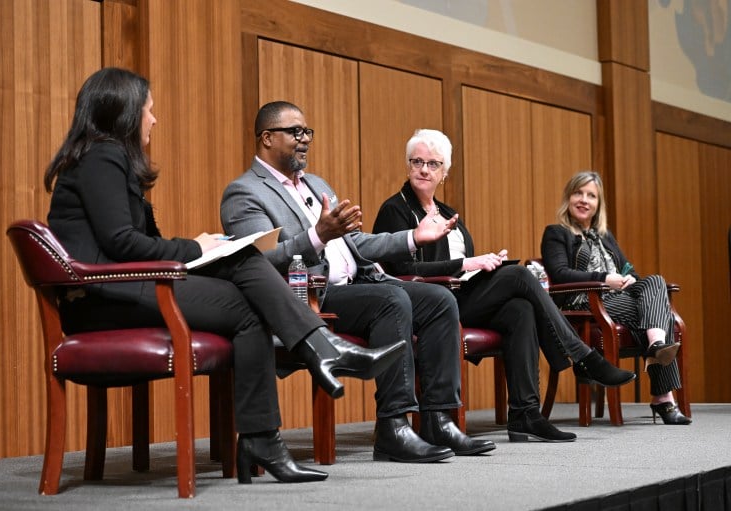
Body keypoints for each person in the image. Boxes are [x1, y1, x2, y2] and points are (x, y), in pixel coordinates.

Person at [43, 68, 407, 485]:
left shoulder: (101, 158)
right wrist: (198, 248)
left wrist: (209, 248)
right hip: (103, 299)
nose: (154, 120)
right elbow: (123, 243)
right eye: (149, 110)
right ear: (124, 112)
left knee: (245, 270)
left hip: (126, 287)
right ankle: (314, 362)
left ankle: (269, 428)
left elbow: (131, 243)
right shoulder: (102, 156)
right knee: (247, 290)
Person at [221, 101, 496, 463]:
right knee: (391, 299)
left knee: (438, 300)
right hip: (307, 296)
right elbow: (260, 262)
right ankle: (393, 427)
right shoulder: (244, 193)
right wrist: (317, 235)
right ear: (267, 137)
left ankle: (437, 418)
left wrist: (414, 237)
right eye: (296, 132)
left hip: (355, 284)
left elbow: (358, 243)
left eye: (308, 132)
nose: (305, 140)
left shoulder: (316, 184)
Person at [372, 129, 638, 442]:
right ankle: (583, 357)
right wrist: (467, 265)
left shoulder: (447, 213)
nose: (424, 169)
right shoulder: (395, 209)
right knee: (521, 276)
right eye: (417, 162)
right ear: (407, 166)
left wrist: (486, 264)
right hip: (430, 304)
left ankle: (525, 414)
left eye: (433, 164)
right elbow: (401, 269)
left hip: (462, 294)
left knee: (520, 309)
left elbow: (463, 264)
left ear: (445, 171)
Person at [541, 171, 691, 425]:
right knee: (658, 311)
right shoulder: (557, 233)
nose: (584, 200)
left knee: (655, 281)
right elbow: (560, 274)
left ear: (598, 204)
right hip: (586, 300)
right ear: (568, 197)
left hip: (618, 298)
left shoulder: (605, 236)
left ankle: (656, 346)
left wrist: (630, 278)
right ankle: (663, 397)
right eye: (579, 193)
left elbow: (627, 269)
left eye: (591, 196)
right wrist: (604, 278)